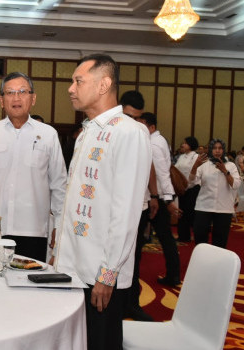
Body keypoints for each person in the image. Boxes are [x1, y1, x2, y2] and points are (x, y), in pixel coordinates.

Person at [53, 54, 151, 350]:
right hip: (73, 267)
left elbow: (127, 213)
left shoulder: (130, 133)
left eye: (78, 81)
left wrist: (108, 275)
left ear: (103, 84)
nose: (71, 88)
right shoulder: (88, 132)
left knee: (101, 342)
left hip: (100, 273)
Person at [0, 71, 66, 263]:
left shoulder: (48, 135)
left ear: (33, 98)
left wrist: (59, 225)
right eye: (10, 93)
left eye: (22, 91)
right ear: (1, 100)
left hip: (35, 229)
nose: (16, 97)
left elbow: (59, 185)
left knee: (30, 286)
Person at [119, 90, 156, 322]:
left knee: (135, 255)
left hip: (139, 205)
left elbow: (149, 165)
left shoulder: (141, 132)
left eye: (138, 118)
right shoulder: (111, 128)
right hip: (115, 206)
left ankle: (132, 303)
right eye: (129, 116)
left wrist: (154, 195)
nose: (134, 122)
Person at [136, 112, 182, 287]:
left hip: (157, 198)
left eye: (141, 125)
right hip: (158, 197)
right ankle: (173, 274)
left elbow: (161, 173)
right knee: (162, 238)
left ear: (151, 127)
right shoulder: (159, 140)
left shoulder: (153, 144)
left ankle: (173, 275)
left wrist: (167, 200)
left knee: (163, 238)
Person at [190, 139, 241, 248]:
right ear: (210, 150)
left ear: (224, 150)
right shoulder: (204, 165)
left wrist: (225, 171)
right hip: (204, 206)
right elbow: (191, 182)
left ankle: (217, 263)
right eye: (214, 148)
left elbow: (236, 184)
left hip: (223, 207)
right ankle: (202, 260)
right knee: (200, 236)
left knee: (220, 241)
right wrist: (195, 166)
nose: (217, 151)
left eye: (220, 148)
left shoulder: (230, 165)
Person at [174, 136, 200, 242]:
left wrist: (187, 185)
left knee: (189, 213)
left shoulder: (195, 156)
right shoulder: (181, 156)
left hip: (193, 187)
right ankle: (183, 236)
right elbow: (176, 169)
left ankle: (191, 235)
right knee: (181, 212)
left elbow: (194, 171)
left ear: (191, 145)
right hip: (182, 188)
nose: (182, 145)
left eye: (185, 143)